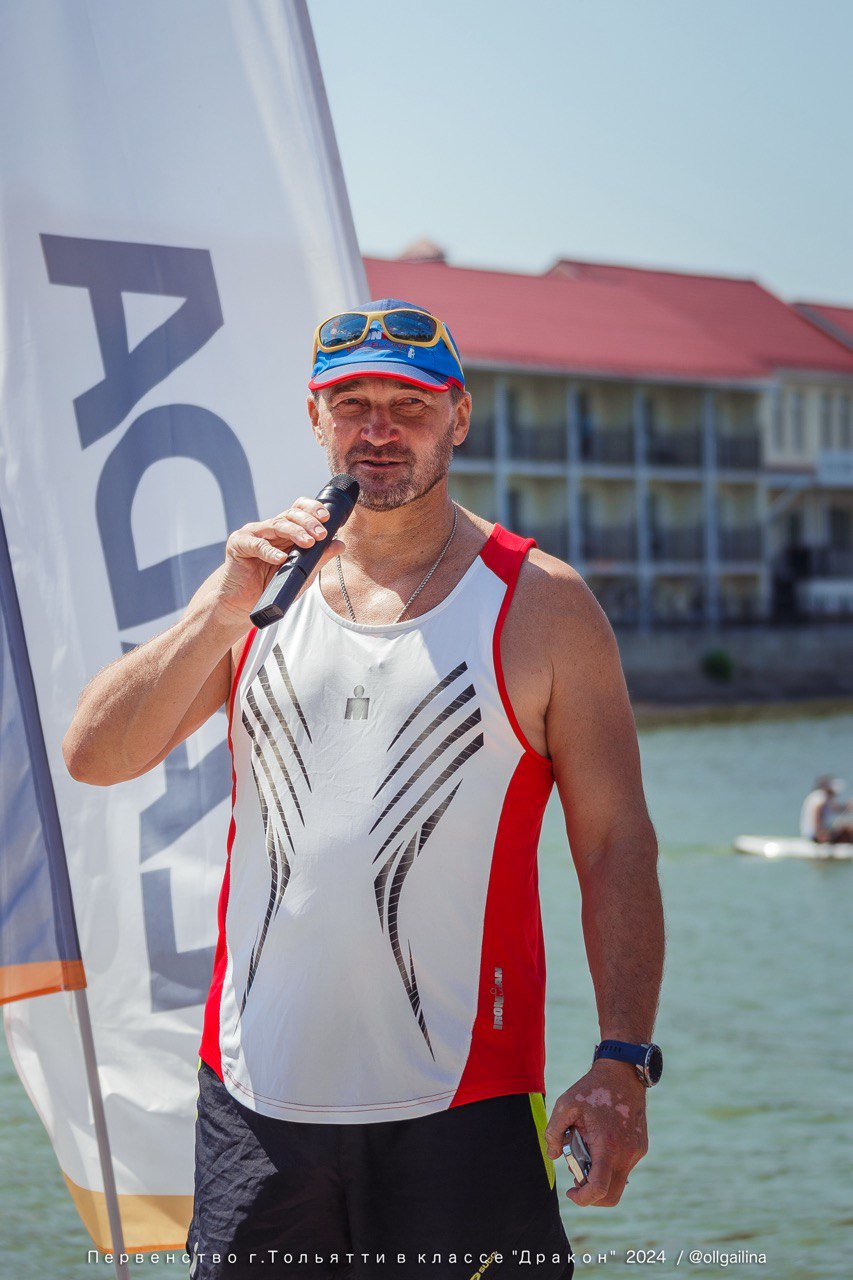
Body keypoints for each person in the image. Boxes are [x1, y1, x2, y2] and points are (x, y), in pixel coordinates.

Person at [62, 299, 665, 1280]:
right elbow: (95, 754)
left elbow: (615, 845)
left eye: (408, 404)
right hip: (258, 1107)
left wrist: (621, 1058)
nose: (379, 428)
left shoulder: (541, 604)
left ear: (458, 415)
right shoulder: (257, 591)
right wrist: (217, 607)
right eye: (353, 404)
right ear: (315, 417)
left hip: (458, 1104)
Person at [799, 776, 853, 844]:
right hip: (815, 835)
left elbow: (837, 808)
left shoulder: (820, 796)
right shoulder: (821, 796)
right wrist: (820, 834)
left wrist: (847, 807)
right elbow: (817, 812)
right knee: (848, 828)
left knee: (845, 826)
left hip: (813, 834)